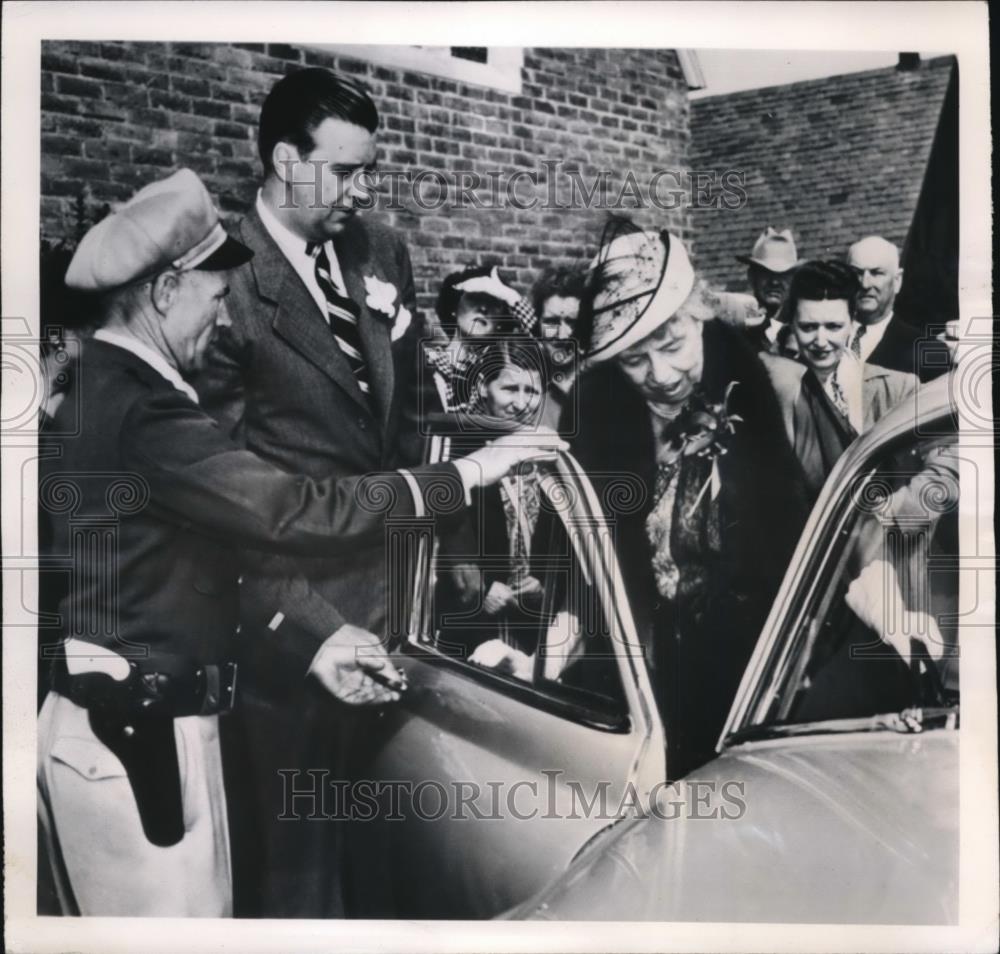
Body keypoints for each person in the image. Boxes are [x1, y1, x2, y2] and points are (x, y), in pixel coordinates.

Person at [36, 168, 559, 918]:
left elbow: (210, 560)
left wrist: (316, 641)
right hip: (140, 735)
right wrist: (467, 474)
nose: (222, 323)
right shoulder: (144, 411)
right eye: (215, 300)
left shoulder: (105, 387)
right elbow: (295, 510)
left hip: (140, 723)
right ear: (164, 291)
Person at [566, 218, 810, 780]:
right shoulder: (597, 418)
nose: (660, 374)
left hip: (750, 674)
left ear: (699, 314)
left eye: (672, 345)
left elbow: (799, 542)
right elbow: (589, 557)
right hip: (640, 671)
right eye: (633, 361)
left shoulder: (774, 391)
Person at [761, 260, 920, 499]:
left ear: (853, 323)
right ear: (792, 324)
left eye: (834, 327)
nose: (821, 340)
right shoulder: (776, 392)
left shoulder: (899, 389)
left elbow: (940, 466)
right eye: (808, 327)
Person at [845, 235, 951, 381]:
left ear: (897, 281)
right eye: (857, 273)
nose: (865, 284)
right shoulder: (823, 338)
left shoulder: (928, 351)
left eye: (877, 273)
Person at [530, 265, 586, 428]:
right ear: (538, 325)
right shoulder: (526, 392)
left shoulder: (606, 388)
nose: (562, 335)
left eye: (573, 323)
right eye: (551, 322)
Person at [735, 226, 800, 354]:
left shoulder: (803, 328)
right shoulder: (737, 327)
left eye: (783, 275)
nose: (775, 282)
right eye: (766, 273)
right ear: (752, 276)